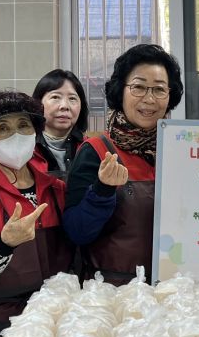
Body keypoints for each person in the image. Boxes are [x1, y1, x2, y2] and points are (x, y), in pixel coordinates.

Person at [0, 90, 73, 333]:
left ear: (35, 133)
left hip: (55, 322)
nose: (16, 134)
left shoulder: (57, 189)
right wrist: (4, 244)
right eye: (4, 129)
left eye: (23, 125)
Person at [64, 43, 182, 283]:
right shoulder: (96, 151)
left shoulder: (181, 151)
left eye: (159, 89)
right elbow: (77, 232)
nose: (149, 99)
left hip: (173, 291)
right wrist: (103, 190)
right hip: (112, 293)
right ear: (121, 91)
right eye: (138, 87)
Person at [31, 69, 89, 178]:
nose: (64, 106)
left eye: (72, 98)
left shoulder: (90, 149)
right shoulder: (26, 149)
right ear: (38, 103)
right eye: (55, 97)